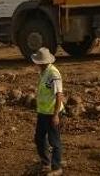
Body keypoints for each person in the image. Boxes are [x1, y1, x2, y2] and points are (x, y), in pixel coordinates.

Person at [31, 47, 64, 175]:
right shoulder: (44, 72)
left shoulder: (53, 74)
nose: (36, 64)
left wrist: (56, 115)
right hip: (43, 112)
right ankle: (46, 163)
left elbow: (59, 95)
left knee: (54, 141)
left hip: (51, 113)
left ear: (43, 62)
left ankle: (57, 168)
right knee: (39, 138)